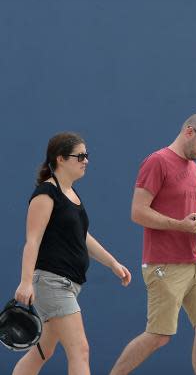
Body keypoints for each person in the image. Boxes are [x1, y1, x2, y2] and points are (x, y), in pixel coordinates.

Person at [110, 113, 196, 375]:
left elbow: (188, 211)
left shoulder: (194, 169)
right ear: (190, 131)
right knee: (159, 336)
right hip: (164, 264)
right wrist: (179, 225)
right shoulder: (157, 162)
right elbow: (138, 212)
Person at [12, 132, 132, 375]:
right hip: (52, 283)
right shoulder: (47, 194)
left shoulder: (71, 194)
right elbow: (32, 241)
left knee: (43, 350)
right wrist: (25, 282)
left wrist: (113, 263)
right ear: (61, 159)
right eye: (80, 156)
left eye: (86, 156)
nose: (86, 160)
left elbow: (83, 236)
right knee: (80, 350)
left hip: (66, 284)